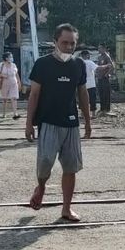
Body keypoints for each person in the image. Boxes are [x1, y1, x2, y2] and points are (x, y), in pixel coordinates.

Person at [26, 24, 91, 222]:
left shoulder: (78, 65)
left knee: (70, 168)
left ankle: (66, 209)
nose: (69, 47)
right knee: (45, 162)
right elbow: (34, 94)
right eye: (65, 42)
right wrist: (29, 123)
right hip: (48, 122)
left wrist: (87, 121)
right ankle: (42, 186)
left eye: (73, 43)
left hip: (71, 124)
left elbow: (82, 93)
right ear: (55, 42)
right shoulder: (43, 64)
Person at [0, 52, 20, 120]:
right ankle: (4, 113)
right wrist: (3, 75)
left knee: (14, 98)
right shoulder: (1, 65)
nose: (12, 58)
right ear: (6, 58)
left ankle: (15, 113)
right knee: (4, 99)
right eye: (10, 57)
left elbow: (16, 74)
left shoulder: (14, 65)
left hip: (13, 83)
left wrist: (19, 82)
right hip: (4, 83)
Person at [95, 46, 114, 114]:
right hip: (99, 78)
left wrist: (107, 74)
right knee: (101, 93)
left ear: (104, 49)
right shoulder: (99, 57)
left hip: (105, 78)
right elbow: (98, 66)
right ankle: (102, 108)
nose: (99, 49)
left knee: (106, 93)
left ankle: (107, 108)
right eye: (98, 48)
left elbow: (111, 66)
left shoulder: (107, 56)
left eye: (100, 48)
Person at [79, 49, 98, 113]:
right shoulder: (90, 62)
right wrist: (106, 66)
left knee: (82, 99)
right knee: (92, 99)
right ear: (87, 55)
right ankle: (93, 114)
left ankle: (82, 113)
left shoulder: (80, 63)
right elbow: (97, 68)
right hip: (91, 84)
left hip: (82, 84)